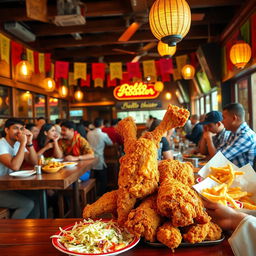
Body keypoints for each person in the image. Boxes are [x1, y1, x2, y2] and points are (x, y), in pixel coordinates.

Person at [0, 118, 40, 219]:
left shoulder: (18, 144)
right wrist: (23, 143)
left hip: (8, 186)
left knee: (37, 196)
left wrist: (29, 143)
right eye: (15, 128)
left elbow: (35, 162)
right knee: (27, 204)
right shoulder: (1, 144)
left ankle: (33, 230)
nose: (19, 132)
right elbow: (15, 166)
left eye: (21, 129)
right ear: (6, 130)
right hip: (1, 188)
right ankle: (13, 233)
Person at [218, 103, 256, 167]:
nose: (222, 121)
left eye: (224, 118)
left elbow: (220, 158)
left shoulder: (246, 135)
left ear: (234, 118)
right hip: (235, 174)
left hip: (245, 176)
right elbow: (218, 152)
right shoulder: (233, 133)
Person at [87, 118, 113, 196]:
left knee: (94, 178)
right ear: (102, 125)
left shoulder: (89, 133)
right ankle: (100, 195)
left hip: (90, 158)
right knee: (103, 179)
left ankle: (94, 194)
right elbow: (110, 143)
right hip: (99, 159)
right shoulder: (103, 135)